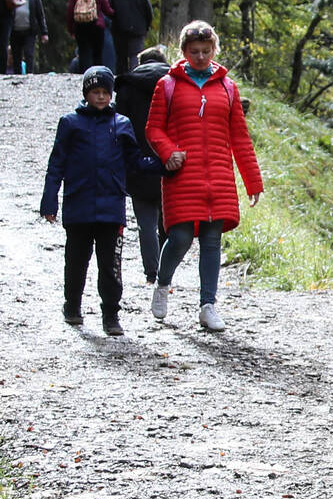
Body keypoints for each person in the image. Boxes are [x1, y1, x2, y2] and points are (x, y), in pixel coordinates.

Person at [145, 20, 263, 332]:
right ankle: (162, 284)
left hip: (219, 176)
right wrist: (169, 152)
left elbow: (239, 137)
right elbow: (153, 128)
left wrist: (253, 181)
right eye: (194, 51)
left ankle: (208, 306)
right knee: (180, 237)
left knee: (212, 241)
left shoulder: (228, 87)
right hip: (182, 174)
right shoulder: (167, 85)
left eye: (206, 51)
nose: (200, 56)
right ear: (183, 51)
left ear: (214, 50)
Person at [40, 67, 146, 336]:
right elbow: (57, 164)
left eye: (105, 93)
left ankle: (111, 315)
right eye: (95, 92)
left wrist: (164, 165)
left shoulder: (121, 124)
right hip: (79, 206)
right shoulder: (70, 123)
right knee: (76, 261)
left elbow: (134, 161)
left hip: (111, 209)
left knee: (110, 264)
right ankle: (72, 306)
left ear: (111, 95)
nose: (100, 97)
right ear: (86, 94)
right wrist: (49, 200)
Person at [115, 44, 171, 283]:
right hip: (171, 160)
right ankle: (168, 270)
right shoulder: (175, 84)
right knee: (169, 220)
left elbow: (117, 126)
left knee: (145, 222)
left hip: (137, 161)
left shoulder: (127, 87)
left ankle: (152, 272)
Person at [106, 0, 153, 73]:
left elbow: (107, 9)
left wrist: (114, 21)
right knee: (135, 56)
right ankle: (135, 76)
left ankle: (120, 78)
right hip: (138, 31)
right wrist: (146, 27)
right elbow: (149, 13)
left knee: (120, 56)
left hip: (118, 30)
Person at [66, 0, 112, 73]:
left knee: (83, 52)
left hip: (80, 26)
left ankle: (84, 74)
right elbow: (108, 11)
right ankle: (98, 73)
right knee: (97, 52)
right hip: (97, 26)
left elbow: (70, 13)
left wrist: (71, 30)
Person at [9, 0, 49, 74]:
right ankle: (17, 74)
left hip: (29, 31)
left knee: (29, 53)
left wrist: (44, 33)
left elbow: (40, 16)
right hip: (15, 31)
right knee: (16, 54)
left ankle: (29, 74)